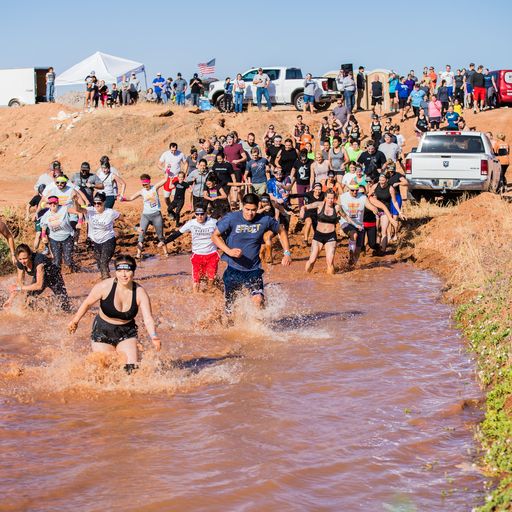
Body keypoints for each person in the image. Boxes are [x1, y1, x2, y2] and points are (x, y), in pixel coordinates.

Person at [68, 254, 161, 374]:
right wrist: (75, 321)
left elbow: (148, 318)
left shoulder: (140, 292)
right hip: (103, 331)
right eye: (120, 271)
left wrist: (154, 336)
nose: (123, 275)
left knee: (130, 370)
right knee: (105, 370)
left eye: (127, 271)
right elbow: (87, 303)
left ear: (133, 272)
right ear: (116, 272)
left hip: (127, 332)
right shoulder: (104, 286)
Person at [211, 193, 291, 314]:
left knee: (258, 300)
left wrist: (287, 253)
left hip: (253, 270)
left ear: (258, 207)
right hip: (233, 269)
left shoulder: (264, 220)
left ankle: (261, 323)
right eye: (247, 209)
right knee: (230, 309)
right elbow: (214, 236)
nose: (250, 213)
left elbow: (281, 230)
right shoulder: (232, 218)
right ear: (242, 206)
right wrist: (229, 251)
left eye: (253, 210)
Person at [165, 208, 219, 292]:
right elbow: (178, 233)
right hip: (197, 255)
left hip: (212, 254)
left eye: (202, 214)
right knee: (196, 281)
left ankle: (209, 293)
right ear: (195, 214)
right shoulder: (191, 223)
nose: (200, 216)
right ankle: (195, 296)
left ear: (206, 213)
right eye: (197, 214)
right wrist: (165, 241)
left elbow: (225, 233)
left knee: (211, 278)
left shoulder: (213, 222)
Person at [5, 244, 70, 311]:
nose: (23, 261)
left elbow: (39, 285)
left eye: (25, 258)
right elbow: (19, 283)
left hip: (54, 278)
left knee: (65, 305)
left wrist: (20, 288)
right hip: (39, 277)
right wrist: (10, 300)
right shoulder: (20, 263)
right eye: (20, 259)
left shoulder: (39, 261)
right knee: (28, 299)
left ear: (30, 255)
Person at [124, 174, 169, 259]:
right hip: (145, 216)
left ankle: (166, 253)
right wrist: (123, 199)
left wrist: (167, 171)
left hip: (156, 215)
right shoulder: (142, 191)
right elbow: (131, 198)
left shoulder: (155, 188)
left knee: (160, 236)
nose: (145, 186)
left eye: (146, 184)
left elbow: (165, 180)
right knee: (141, 235)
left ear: (149, 182)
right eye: (143, 185)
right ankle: (138, 255)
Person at [301, 190, 341, 274]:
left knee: (330, 262)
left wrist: (355, 224)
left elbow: (346, 217)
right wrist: (302, 210)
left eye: (332, 198)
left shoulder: (337, 207)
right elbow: (305, 207)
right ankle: (306, 276)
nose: (330, 200)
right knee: (312, 261)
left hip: (331, 236)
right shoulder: (319, 204)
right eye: (328, 198)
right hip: (318, 236)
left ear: (334, 198)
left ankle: (330, 281)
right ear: (325, 198)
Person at [39, 196, 78, 271]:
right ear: (48, 204)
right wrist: (43, 237)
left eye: (54, 203)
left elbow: (77, 211)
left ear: (58, 203)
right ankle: (57, 276)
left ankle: (76, 270)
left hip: (67, 237)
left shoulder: (64, 209)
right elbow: (43, 228)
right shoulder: (46, 215)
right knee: (57, 261)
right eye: (50, 203)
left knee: (68, 260)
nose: (53, 204)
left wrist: (75, 202)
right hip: (54, 239)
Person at [26, 185, 48, 253]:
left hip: (48, 219)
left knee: (48, 235)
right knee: (38, 234)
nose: (42, 194)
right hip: (39, 219)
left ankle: (47, 249)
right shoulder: (36, 198)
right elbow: (28, 205)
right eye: (42, 192)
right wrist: (27, 215)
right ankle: (35, 251)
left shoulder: (49, 197)